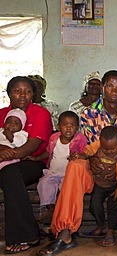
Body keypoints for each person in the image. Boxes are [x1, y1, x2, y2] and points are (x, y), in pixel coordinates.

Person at [38, 70, 117, 256]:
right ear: (102, 88)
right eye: (110, 86)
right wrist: (91, 161)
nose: (114, 90)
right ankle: (65, 232)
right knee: (75, 166)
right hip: (96, 167)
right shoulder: (88, 113)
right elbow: (89, 147)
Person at [0, 76, 53, 254]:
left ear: (33, 94)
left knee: (10, 174)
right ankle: (31, 233)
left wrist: (6, 155)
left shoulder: (40, 114)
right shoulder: (1, 114)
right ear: (9, 94)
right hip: (5, 163)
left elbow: (31, 147)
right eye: (17, 90)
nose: (22, 95)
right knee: (9, 173)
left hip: (33, 162)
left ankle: (22, 236)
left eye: (27, 91)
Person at [71, 126, 117, 247]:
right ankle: (101, 225)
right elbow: (88, 151)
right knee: (94, 205)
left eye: (112, 148)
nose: (109, 151)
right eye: (105, 148)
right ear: (100, 141)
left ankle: (111, 233)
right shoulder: (97, 145)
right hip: (100, 183)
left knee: (114, 208)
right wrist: (81, 156)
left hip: (114, 185)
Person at [29, 110, 87, 224]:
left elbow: (85, 154)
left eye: (72, 125)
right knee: (44, 183)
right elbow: (48, 152)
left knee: (66, 191)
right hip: (53, 172)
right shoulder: (54, 138)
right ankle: (48, 209)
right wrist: (37, 158)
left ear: (77, 127)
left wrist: (79, 156)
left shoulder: (80, 139)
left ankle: (61, 213)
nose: (69, 128)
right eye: (65, 125)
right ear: (58, 126)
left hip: (68, 175)